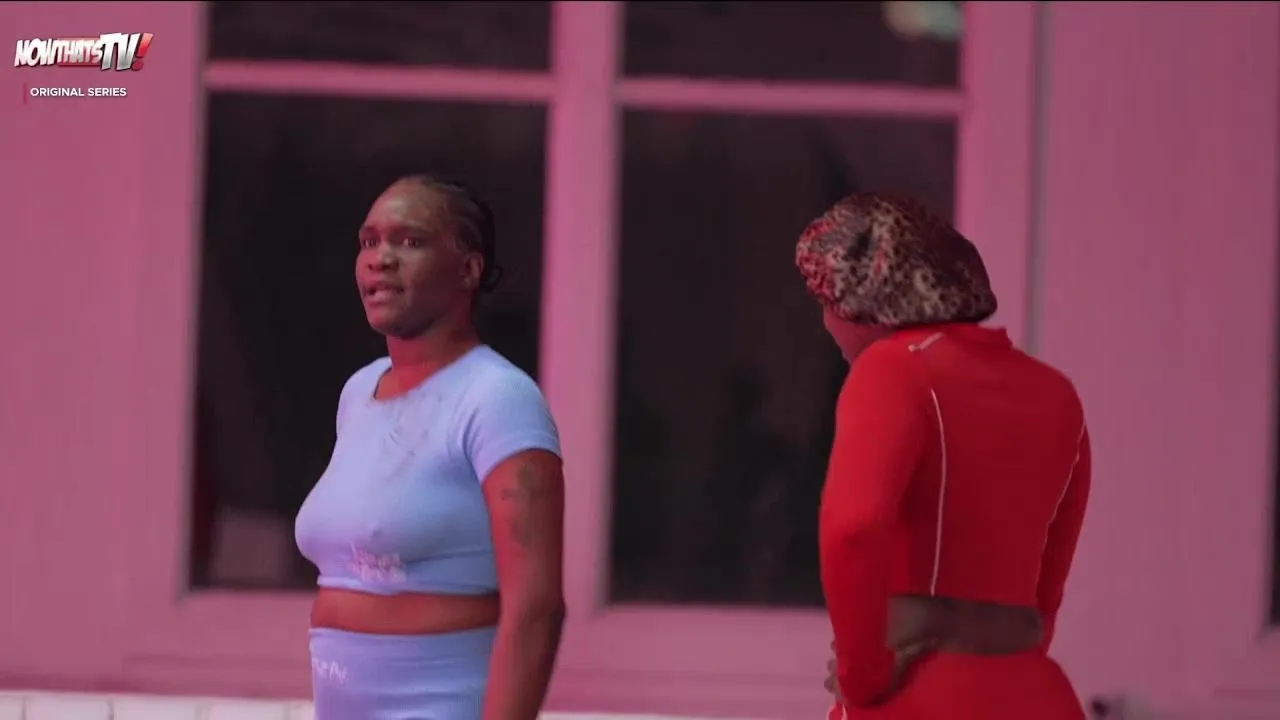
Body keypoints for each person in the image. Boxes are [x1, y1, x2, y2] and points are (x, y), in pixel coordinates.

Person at [795, 193, 1090, 719]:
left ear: (867, 298)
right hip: (1036, 693)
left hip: (920, 696)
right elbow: (1051, 572)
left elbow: (855, 528)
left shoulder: (894, 371)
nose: (826, 322)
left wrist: (862, 674)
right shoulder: (1056, 392)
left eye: (827, 301)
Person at [294, 175, 567, 720]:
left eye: (410, 241)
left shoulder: (496, 397)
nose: (380, 259)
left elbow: (536, 607)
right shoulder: (359, 392)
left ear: (469, 269)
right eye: (369, 241)